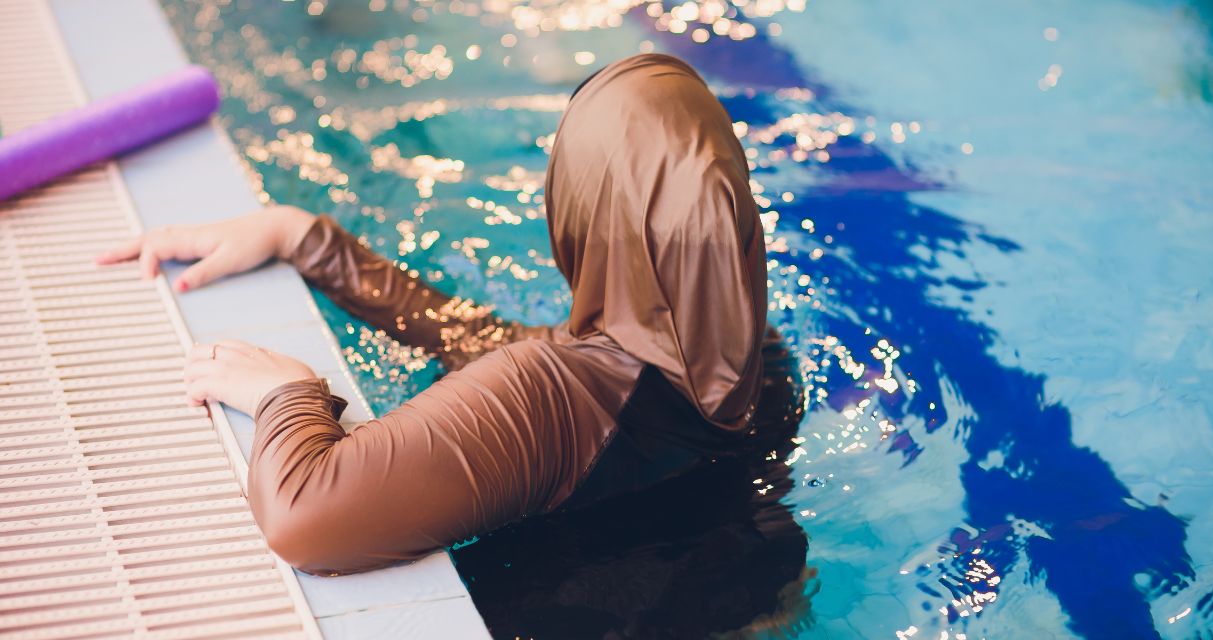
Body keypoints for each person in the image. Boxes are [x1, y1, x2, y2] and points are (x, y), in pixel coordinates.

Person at [96, 54, 783, 575]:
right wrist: (308, 241)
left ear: (582, 207)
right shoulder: (757, 357)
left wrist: (289, 397)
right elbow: (499, 348)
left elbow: (302, 519)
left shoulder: (560, 395)